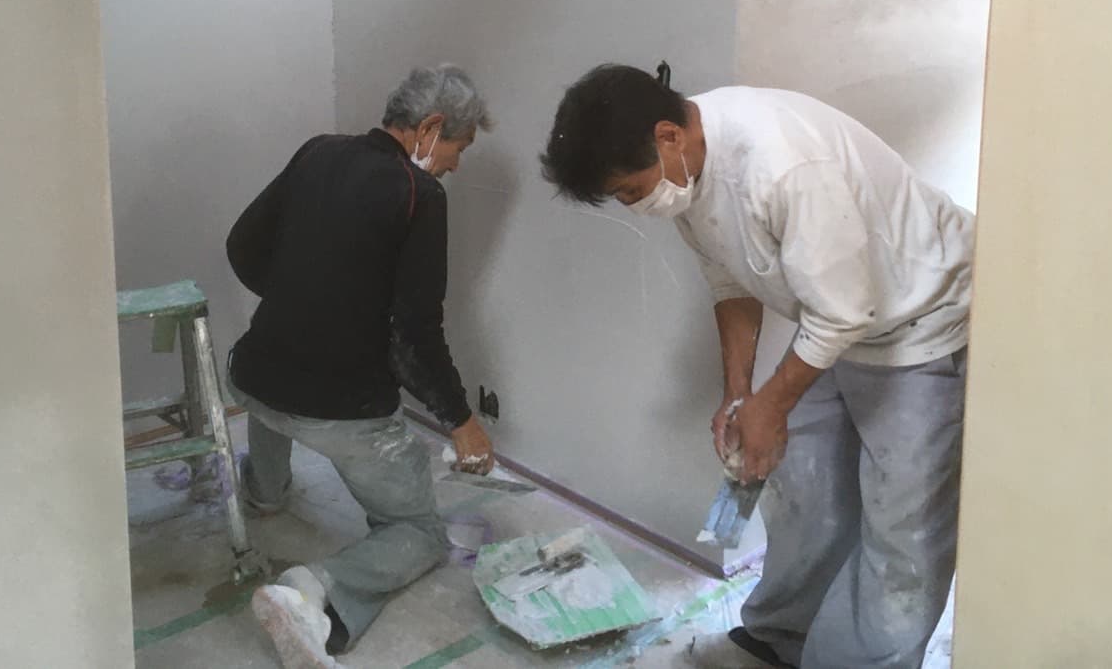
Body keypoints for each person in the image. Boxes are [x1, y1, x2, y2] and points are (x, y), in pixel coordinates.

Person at [541, 64, 973, 669]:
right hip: (839, 324)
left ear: (668, 136)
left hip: (921, 326)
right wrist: (740, 393)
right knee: (806, 489)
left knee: (902, 536)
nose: (634, 207)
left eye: (631, 191)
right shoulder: (688, 171)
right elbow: (729, 280)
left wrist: (772, 404)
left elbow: (843, 313)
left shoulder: (782, 164)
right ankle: (779, 639)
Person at [226, 65, 496, 669]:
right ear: (430, 127)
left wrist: (299, 302)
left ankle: (264, 492)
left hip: (252, 376)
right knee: (420, 533)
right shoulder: (419, 193)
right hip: (336, 409)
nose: (455, 164)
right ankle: (309, 590)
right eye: (459, 147)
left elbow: (241, 245)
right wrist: (461, 422)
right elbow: (415, 333)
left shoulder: (318, 151)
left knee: (276, 397)